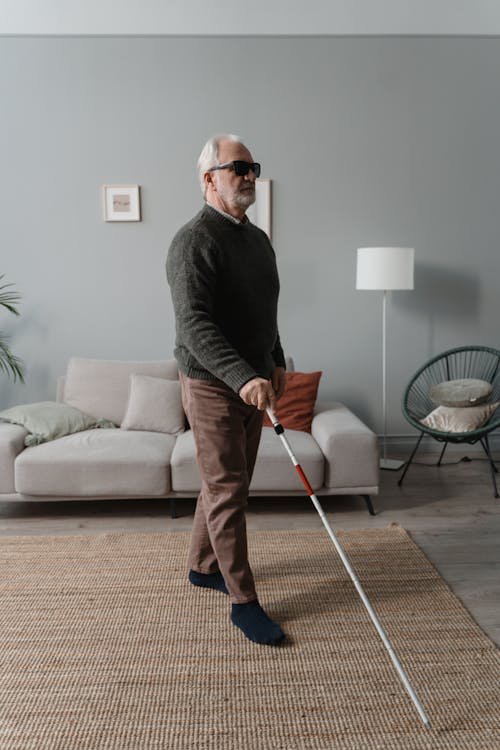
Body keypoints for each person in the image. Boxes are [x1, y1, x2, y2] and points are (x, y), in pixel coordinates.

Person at [166, 134, 287, 646]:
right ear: (208, 177)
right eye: (237, 166)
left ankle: (201, 566)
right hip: (214, 384)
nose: (249, 175)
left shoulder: (257, 240)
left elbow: (266, 311)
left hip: (255, 382)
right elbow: (193, 324)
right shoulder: (193, 240)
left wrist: (276, 360)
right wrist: (243, 376)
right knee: (228, 487)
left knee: (227, 482)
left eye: (253, 166)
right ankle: (244, 602)